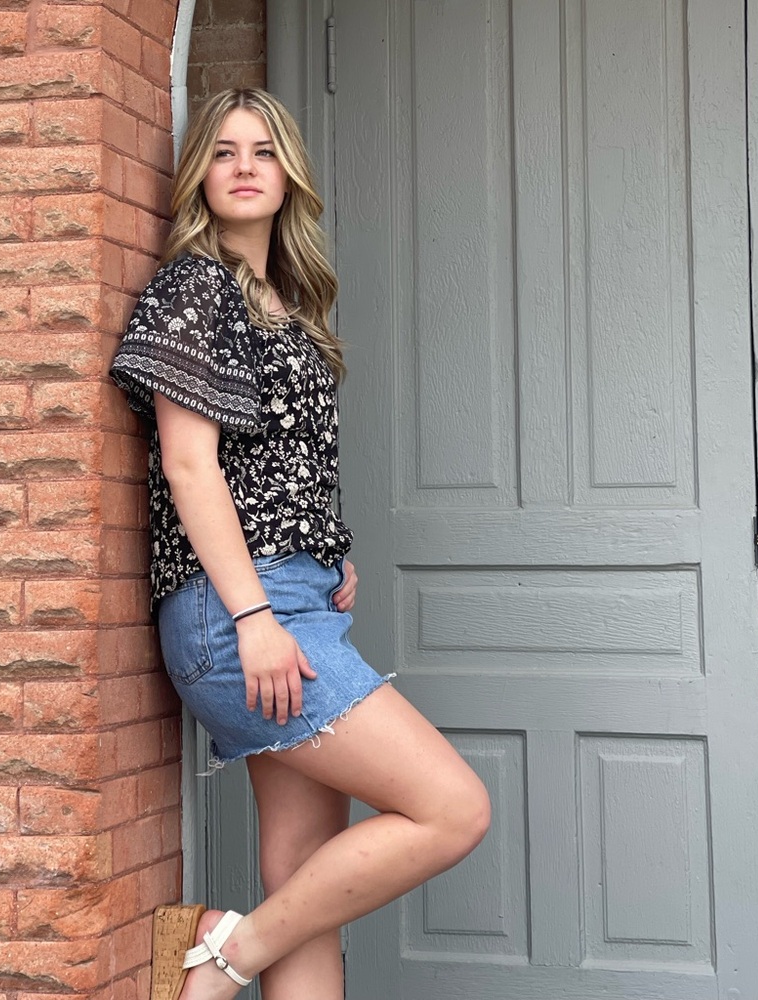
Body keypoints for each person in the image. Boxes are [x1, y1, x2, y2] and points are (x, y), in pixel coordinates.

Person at [109, 88, 490, 1000]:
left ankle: (241, 943)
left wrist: (329, 550)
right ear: (200, 172)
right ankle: (219, 954)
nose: (245, 167)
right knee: (451, 808)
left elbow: (279, 461)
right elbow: (190, 466)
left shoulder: (289, 301)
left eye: (265, 152)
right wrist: (253, 613)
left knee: (305, 881)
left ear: (288, 179)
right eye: (226, 151)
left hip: (295, 598)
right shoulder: (195, 287)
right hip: (239, 611)